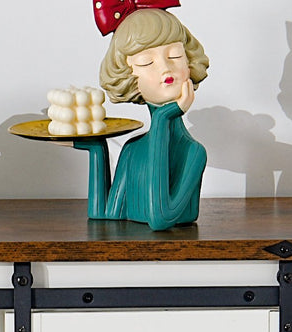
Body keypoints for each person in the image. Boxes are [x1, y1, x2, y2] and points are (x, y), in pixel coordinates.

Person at [78, 6, 209, 229]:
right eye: (147, 62)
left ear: (189, 63)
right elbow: (106, 213)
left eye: (175, 56)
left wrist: (164, 117)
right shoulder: (132, 149)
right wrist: (95, 147)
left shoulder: (193, 152)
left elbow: (160, 218)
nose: (166, 68)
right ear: (128, 77)